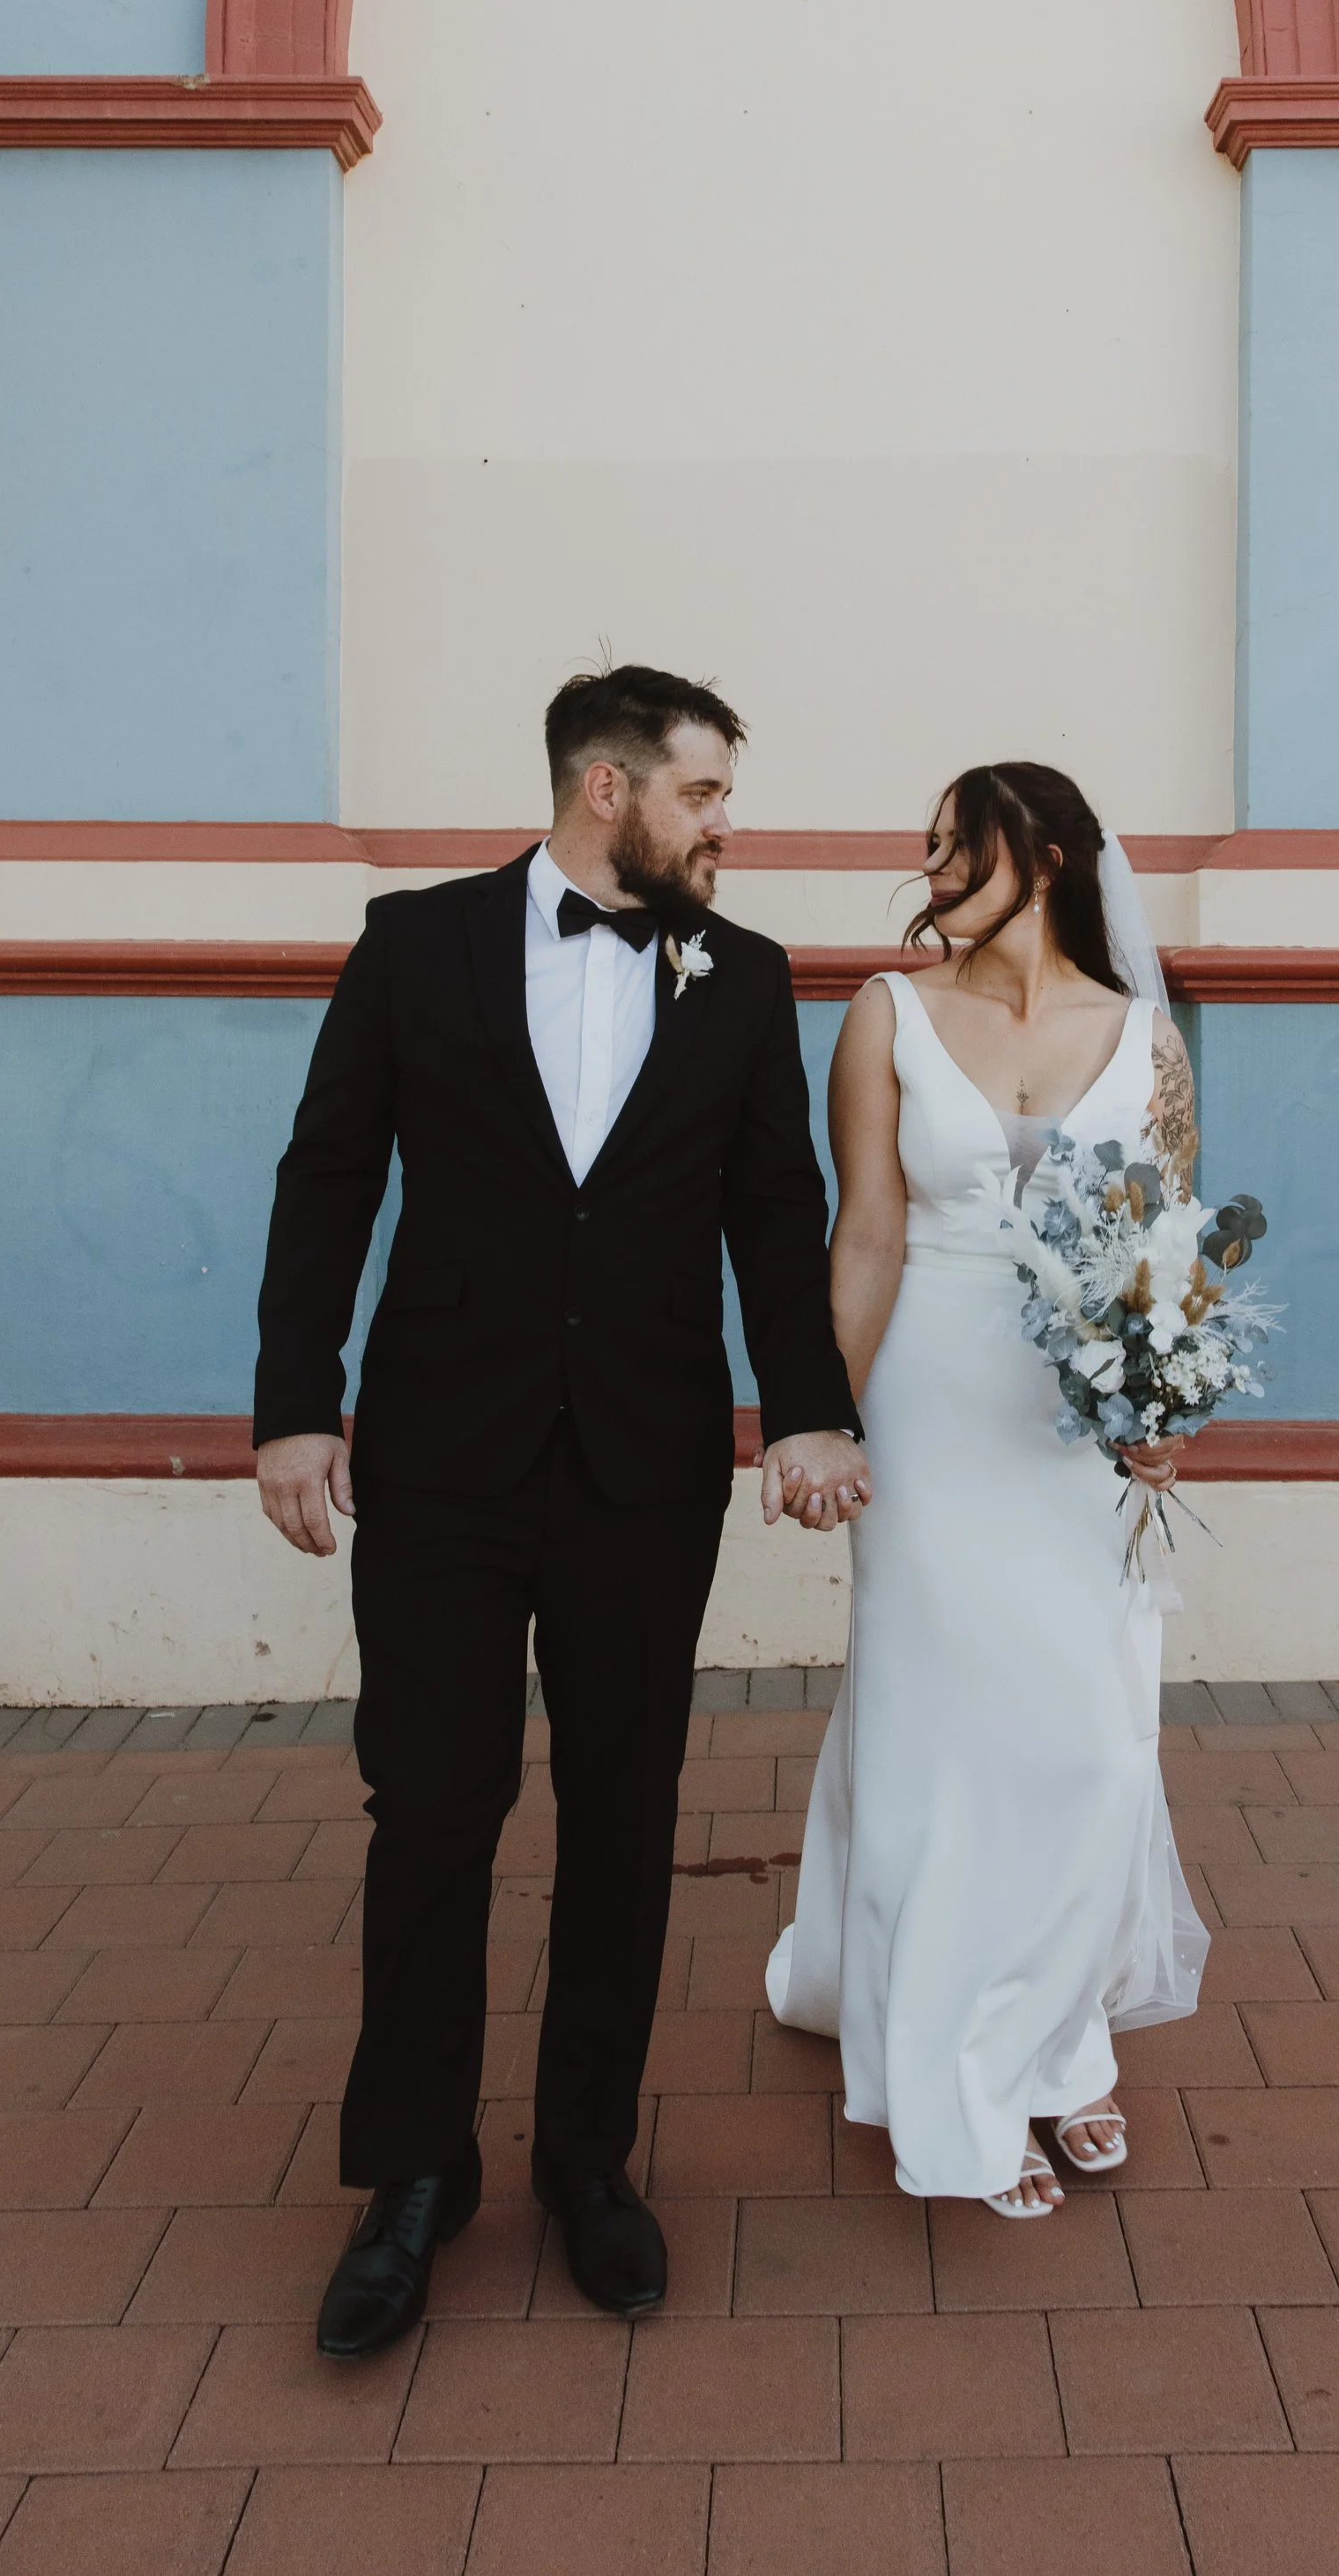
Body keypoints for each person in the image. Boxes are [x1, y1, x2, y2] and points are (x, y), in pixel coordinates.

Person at [251, 665, 865, 2350]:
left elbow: (776, 1212)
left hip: (643, 1468)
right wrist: (295, 1406)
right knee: (430, 1810)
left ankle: (590, 2159)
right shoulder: (415, 945)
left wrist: (809, 1407)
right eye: (703, 793)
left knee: (621, 1816)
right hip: (443, 1458)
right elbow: (329, 1174)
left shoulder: (743, 976)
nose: (725, 825)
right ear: (610, 789)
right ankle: (413, 2179)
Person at [767, 761, 1209, 2215]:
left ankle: (1062, 2036)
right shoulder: (885, 1015)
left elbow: (1166, 1246)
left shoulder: (1147, 1039)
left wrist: (1163, 1409)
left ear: (1052, 859)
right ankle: (954, 2074)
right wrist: (817, 1420)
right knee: (939, 1735)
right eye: (935, 846)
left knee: (1091, 1741)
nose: (938, 871)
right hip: (932, 1406)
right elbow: (867, 1233)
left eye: (967, 846)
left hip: (1071, 1427)